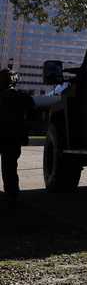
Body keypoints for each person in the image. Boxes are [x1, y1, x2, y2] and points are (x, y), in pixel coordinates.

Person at [0, 70, 32, 210]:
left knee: (9, 168)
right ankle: (12, 197)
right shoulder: (19, 96)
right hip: (13, 138)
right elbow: (31, 105)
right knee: (10, 169)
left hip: (5, 136)